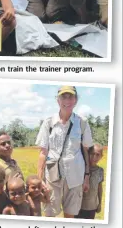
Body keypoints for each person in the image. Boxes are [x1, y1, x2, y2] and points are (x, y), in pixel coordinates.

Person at [36, 85, 93, 218]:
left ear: (76, 100)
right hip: (52, 177)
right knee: (49, 214)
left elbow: (85, 151)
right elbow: (43, 152)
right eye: (63, 96)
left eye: (70, 96)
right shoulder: (48, 123)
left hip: (76, 177)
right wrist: (40, 180)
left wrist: (87, 176)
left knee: (70, 216)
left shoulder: (82, 122)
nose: (67, 100)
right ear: (58, 100)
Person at [76, 144, 104, 220]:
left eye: (97, 155)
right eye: (92, 154)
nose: (94, 157)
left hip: (92, 207)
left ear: (101, 156)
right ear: (87, 154)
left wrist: (100, 204)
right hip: (78, 206)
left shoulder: (100, 171)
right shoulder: (81, 169)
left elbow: (99, 188)